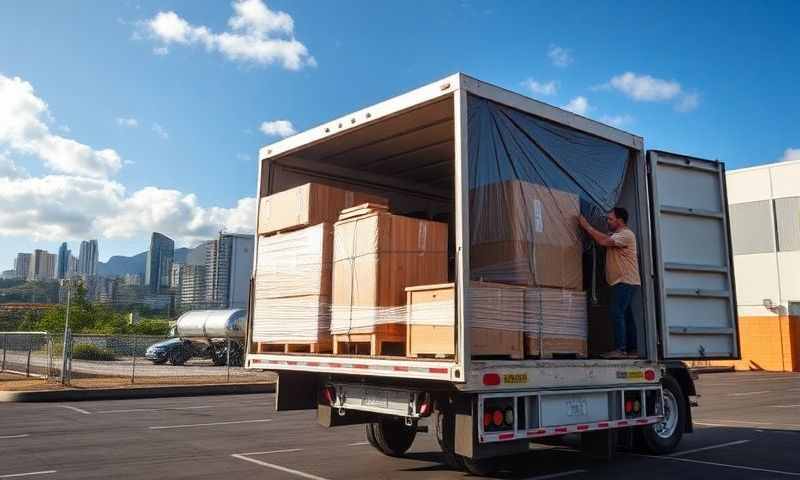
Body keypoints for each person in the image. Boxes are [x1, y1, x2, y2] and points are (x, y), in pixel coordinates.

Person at [578, 207, 641, 358]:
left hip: (625, 281)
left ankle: (620, 349)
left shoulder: (626, 235)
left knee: (616, 312)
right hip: (623, 281)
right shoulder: (617, 234)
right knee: (626, 315)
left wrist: (586, 226)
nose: (608, 221)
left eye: (610, 219)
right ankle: (632, 350)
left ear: (620, 221)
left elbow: (603, 240)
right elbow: (604, 237)